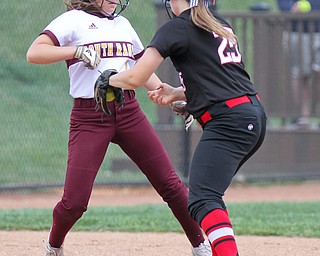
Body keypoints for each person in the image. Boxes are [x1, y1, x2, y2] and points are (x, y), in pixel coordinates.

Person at [26, 1, 211, 255]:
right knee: (75, 203)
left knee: (171, 184)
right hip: (89, 115)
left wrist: (169, 97)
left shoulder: (123, 24)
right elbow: (34, 53)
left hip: (128, 112)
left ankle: (200, 245)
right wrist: (76, 51)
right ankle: (54, 245)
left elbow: (139, 68)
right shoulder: (73, 20)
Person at [106, 0, 267, 255]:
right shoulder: (218, 24)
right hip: (252, 116)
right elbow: (223, 81)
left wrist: (108, 79)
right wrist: (178, 94)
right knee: (208, 196)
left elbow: (136, 77)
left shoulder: (177, 27)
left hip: (229, 122)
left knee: (203, 198)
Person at [277, 0, 320, 127]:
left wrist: (312, 7)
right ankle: (303, 116)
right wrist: (291, 7)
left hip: (318, 30)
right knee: (299, 74)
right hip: (297, 31)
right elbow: (283, 5)